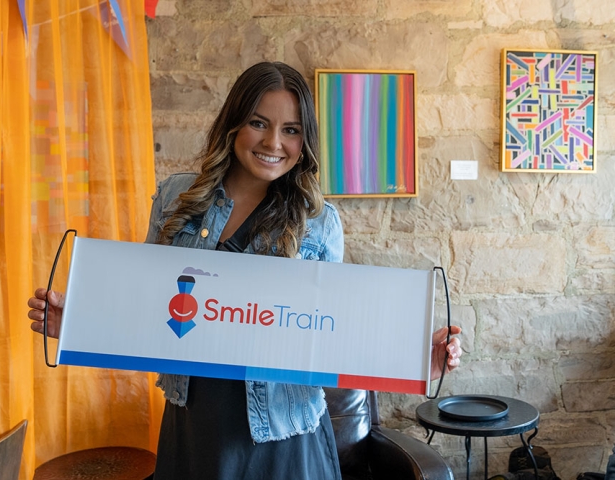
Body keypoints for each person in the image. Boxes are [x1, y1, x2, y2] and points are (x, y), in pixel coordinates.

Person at [28, 61, 463, 480]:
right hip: (195, 424)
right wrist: (80, 324)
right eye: (259, 123)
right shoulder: (177, 198)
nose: (273, 142)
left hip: (284, 436)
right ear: (234, 123)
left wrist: (415, 360)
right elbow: (147, 308)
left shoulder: (319, 221)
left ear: (304, 141)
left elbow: (335, 333)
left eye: (291, 130)